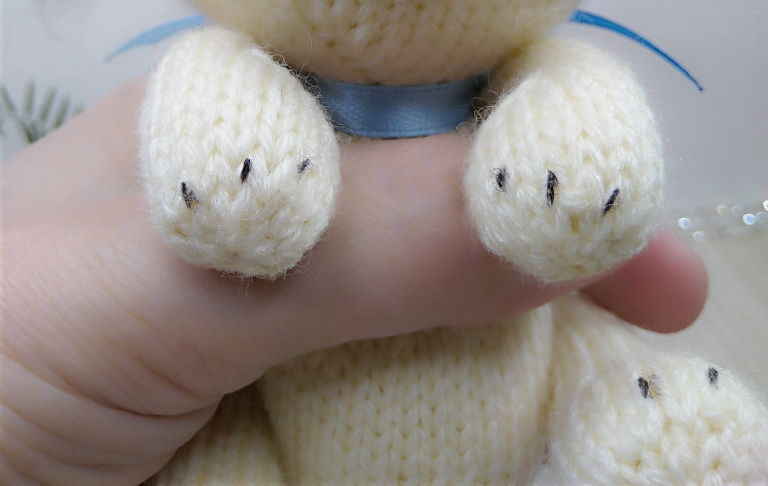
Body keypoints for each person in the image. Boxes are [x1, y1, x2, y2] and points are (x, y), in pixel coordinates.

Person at [0, 78, 708, 486]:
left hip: (529, 386)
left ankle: (645, 415)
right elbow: (211, 103)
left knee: (641, 413)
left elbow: (585, 110)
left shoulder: (543, 85)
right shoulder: (244, 78)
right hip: (274, 421)